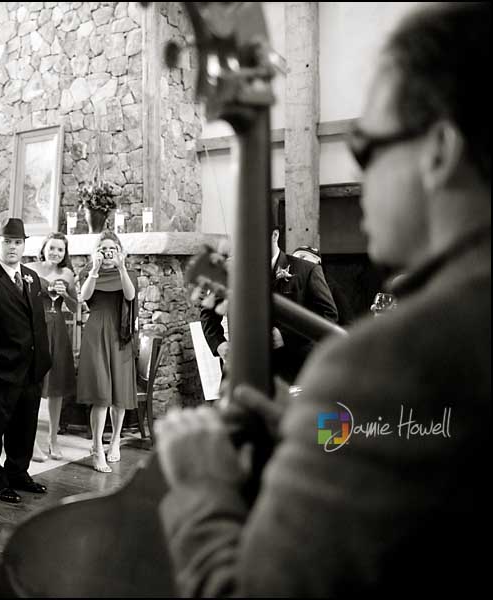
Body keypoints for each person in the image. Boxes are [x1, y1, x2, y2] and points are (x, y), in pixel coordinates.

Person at [156, 2, 490, 595]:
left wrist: (202, 491)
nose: (359, 177)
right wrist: (325, 431)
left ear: (439, 150)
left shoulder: (386, 363)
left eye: (365, 146)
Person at [200, 225, 338, 383]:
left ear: (274, 235)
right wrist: (220, 345)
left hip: (292, 370)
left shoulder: (307, 270)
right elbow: (208, 313)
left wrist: (287, 336)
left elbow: (328, 315)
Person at [0, 218, 52, 504]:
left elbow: (37, 322)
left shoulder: (31, 277)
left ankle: (18, 472)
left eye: (18, 242)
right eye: (7, 241)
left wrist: (43, 360)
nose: (12, 247)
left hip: (31, 368)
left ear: (24, 246)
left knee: (25, 426)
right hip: (0, 368)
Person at [76, 231, 137, 473]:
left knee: (119, 394)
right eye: (103, 249)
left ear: (119, 251)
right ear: (96, 252)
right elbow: (84, 297)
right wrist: (94, 270)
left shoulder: (128, 274)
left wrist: (121, 268)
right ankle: (96, 447)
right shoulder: (88, 273)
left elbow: (130, 295)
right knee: (101, 394)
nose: (108, 252)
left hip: (120, 336)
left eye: (113, 248)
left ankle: (114, 442)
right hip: (96, 333)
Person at [26, 232, 78, 460]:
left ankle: (53, 440)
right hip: (35, 329)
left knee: (56, 388)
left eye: (60, 250)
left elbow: (75, 308)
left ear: (65, 253)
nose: (56, 253)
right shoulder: (30, 269)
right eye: (52, 248)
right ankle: (31, 441)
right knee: (34, 386)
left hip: (57, 329)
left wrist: (66, 294)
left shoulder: (68, 273)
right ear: (44, 248)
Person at [290, 245, 355, 326]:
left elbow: (347, 320)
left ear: (317, 263)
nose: (298, 262)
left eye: (303, 257)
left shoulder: (331, 287)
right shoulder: (289, 284)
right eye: (294, 259)